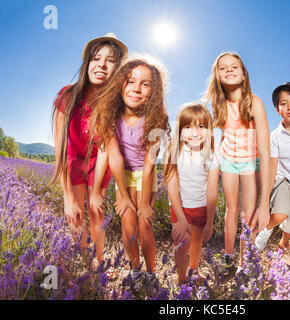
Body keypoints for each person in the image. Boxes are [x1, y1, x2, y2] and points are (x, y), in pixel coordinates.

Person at [51, 33, 128, 265]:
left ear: (118, 68)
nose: (102, 65)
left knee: (97, 212)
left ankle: (101, 261)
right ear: (87, 63)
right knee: (74, 214)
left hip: (99, 163)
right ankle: (86, 263)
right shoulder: (68, 95)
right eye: (96, 58)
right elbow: (61, 148)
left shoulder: (114, 103)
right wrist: (67, 196)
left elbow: (106, 147)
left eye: (110, 60)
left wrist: (95, 191)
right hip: (72, 161)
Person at [89, 56, 170, 274]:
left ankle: (151, 272)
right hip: (122, 173)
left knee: (144, 223)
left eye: (145, 84)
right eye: (131, 81)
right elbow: (113, 156)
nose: (136, 88)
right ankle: (135, 269)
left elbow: (150, 163)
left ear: (154, 92)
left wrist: (144, 203)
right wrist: (123, 196)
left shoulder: (157, 118)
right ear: (120, 84)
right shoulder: (110, 115)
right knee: (128, 224)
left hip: (146, 173)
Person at [203, 52, 271, 275]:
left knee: (248, 213)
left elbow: (264, 149)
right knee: (231, 209)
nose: (229, 70)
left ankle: (245, 260)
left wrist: (265, 202)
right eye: (223, 68)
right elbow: (219, 132)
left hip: (251, 163)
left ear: (243, 74)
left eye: (234, 67)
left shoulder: (255, 102)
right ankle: (229, 256)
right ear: (217, 75)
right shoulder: (219, 103)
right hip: (229, 161)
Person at [163, 103, 219, 285]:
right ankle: (181, 277)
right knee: (181, 244)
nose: (195, 133)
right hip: (180, 208)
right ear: (180, 130)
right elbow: (172, 187)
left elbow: (212, 191)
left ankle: (193, 271)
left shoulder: (211, 157)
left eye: (201, 126)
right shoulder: (175, 154)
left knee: (196, 243)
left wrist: (210, 221)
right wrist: (181, 219)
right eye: (188, 127)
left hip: (201, 208)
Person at [254, 82, 290, 252]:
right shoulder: (275, 136)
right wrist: (266, 196)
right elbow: (273, 165)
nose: (289, 107)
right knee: (280, 214)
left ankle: (280, 259)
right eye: (284, 104)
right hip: (283, 179)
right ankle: (266, 230)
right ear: (277, 109)